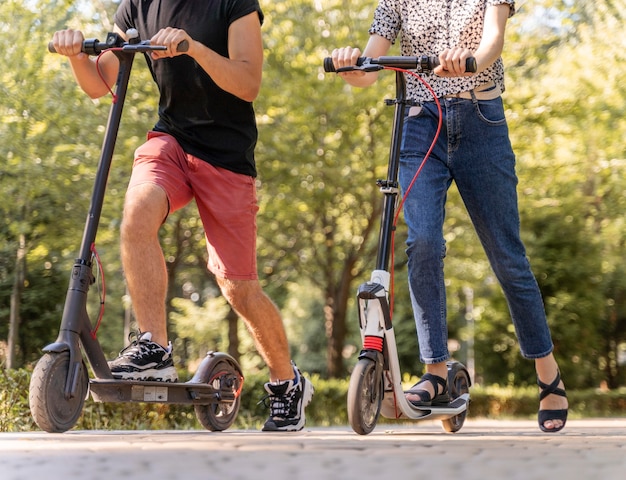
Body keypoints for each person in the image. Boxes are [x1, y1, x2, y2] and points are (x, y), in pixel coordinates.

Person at [51, 0, 313, 432]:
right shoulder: (137, 6)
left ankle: (287, 383)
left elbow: (248, 82)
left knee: (239, 288)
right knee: (136, 214)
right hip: (171, 140)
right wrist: (77, 55)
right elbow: (101, 84)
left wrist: (193, 48)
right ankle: (154, 347)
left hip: (227, 156)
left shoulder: (234, 3)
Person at [331, 0, 567, 433]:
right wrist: (352, 66)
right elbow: (369, 67)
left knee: (508, 259)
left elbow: (492, 42)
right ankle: (436, 372)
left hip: (481, 119)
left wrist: (468, 59)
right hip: (420, 123)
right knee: (422, 243)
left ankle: (547, 372)